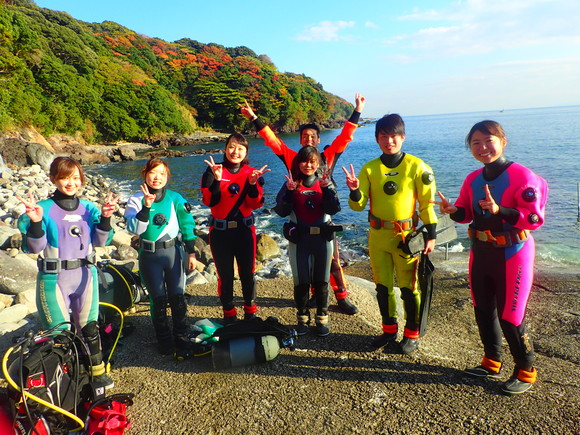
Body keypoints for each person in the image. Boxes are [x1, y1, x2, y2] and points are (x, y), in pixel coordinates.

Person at [432, 120, 548, 395]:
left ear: (502, 141)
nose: (483, 147)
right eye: (476, 143)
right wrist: (452, 211)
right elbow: (466, 214)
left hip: (513, 252)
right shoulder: (473, 179)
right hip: (481, 251)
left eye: (489, 141)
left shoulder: (523, 177)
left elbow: (533, 219)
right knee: (483, 309)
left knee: (511, 316)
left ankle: (526, 369)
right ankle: (491, 361)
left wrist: (500, 210)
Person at [240, 94, 366, 316]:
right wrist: (254, 118)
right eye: (305, 136)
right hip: (300, 215)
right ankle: (308, 298)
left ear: (318, 140)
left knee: (333, 260)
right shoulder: (292, 158)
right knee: (304, 263)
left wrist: (357, 111)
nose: (308, 139)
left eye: (312, 136)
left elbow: (345, 137)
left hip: (323, 213)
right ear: (300, 140)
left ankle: (341, 298)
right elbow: (273, 140)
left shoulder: (327, 156)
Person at [17, 157, 119, 390]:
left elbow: (101, 241)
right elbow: (34, 248)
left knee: (90, 327)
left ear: (81, 180)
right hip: (54, 279)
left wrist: (105, 217)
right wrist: (35, 222)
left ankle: (96, 372)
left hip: (86, 275)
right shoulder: (42, 208)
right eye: (64, 177)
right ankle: (67, 375)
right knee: (60, 334)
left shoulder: (89, 208)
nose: (70, 183)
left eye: (75, 178)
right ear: (53, 179)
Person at [344, 114, 437, 354]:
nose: (389, 141)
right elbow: (357, 205)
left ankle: (412, 334)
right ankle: (388, 329)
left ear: (403, 137)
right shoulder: (370, 169)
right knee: (382, 287)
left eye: (394, 136)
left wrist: (431, 234)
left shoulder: (417, 166)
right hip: (378, 236)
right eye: (383, 136)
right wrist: (354, 191)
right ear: (377, 139)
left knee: (409, 287)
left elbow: (427, 204)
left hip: (405, 237)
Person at [124, 158, 197, 358]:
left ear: (167, 177)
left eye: (162, 174)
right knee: (157, 298)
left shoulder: (175, 198)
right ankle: (163, 337)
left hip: (173, 253)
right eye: (153, 173)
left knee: (177, 295)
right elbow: (133, 228)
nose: (157, 178)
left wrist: (191, 252)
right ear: (145, 174)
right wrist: (146, 207)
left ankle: (181, 334)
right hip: (149, 255)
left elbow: (187, 226)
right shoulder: (135, 200)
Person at [200, 133, 269, 324]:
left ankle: (250, 312)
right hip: (220, 233)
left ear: (246, 151)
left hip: (244, 232)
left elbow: (255, 204)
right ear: (225, 148)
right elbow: (209, 201)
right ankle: (229, 314)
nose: (235, 151)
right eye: (231, 146)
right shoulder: (212, 170)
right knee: (225, 276)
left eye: (240, 148)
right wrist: (216, 180)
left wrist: (253, 184)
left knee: (248, 273)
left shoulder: (252, 173)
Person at [274, 146, 341, 337]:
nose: (308, 165)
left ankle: (322, 318)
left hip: (322, 240)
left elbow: (335, 208)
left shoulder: (325, 183)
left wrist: (328, 188)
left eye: (312, 161)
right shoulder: (292, 183)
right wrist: (288, 192)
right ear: (298, 163)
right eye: (304, 161)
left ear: (318, 163)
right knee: (301, 280)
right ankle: (302, 319)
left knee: (322, 280)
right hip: (300, 240)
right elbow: (281, 211)